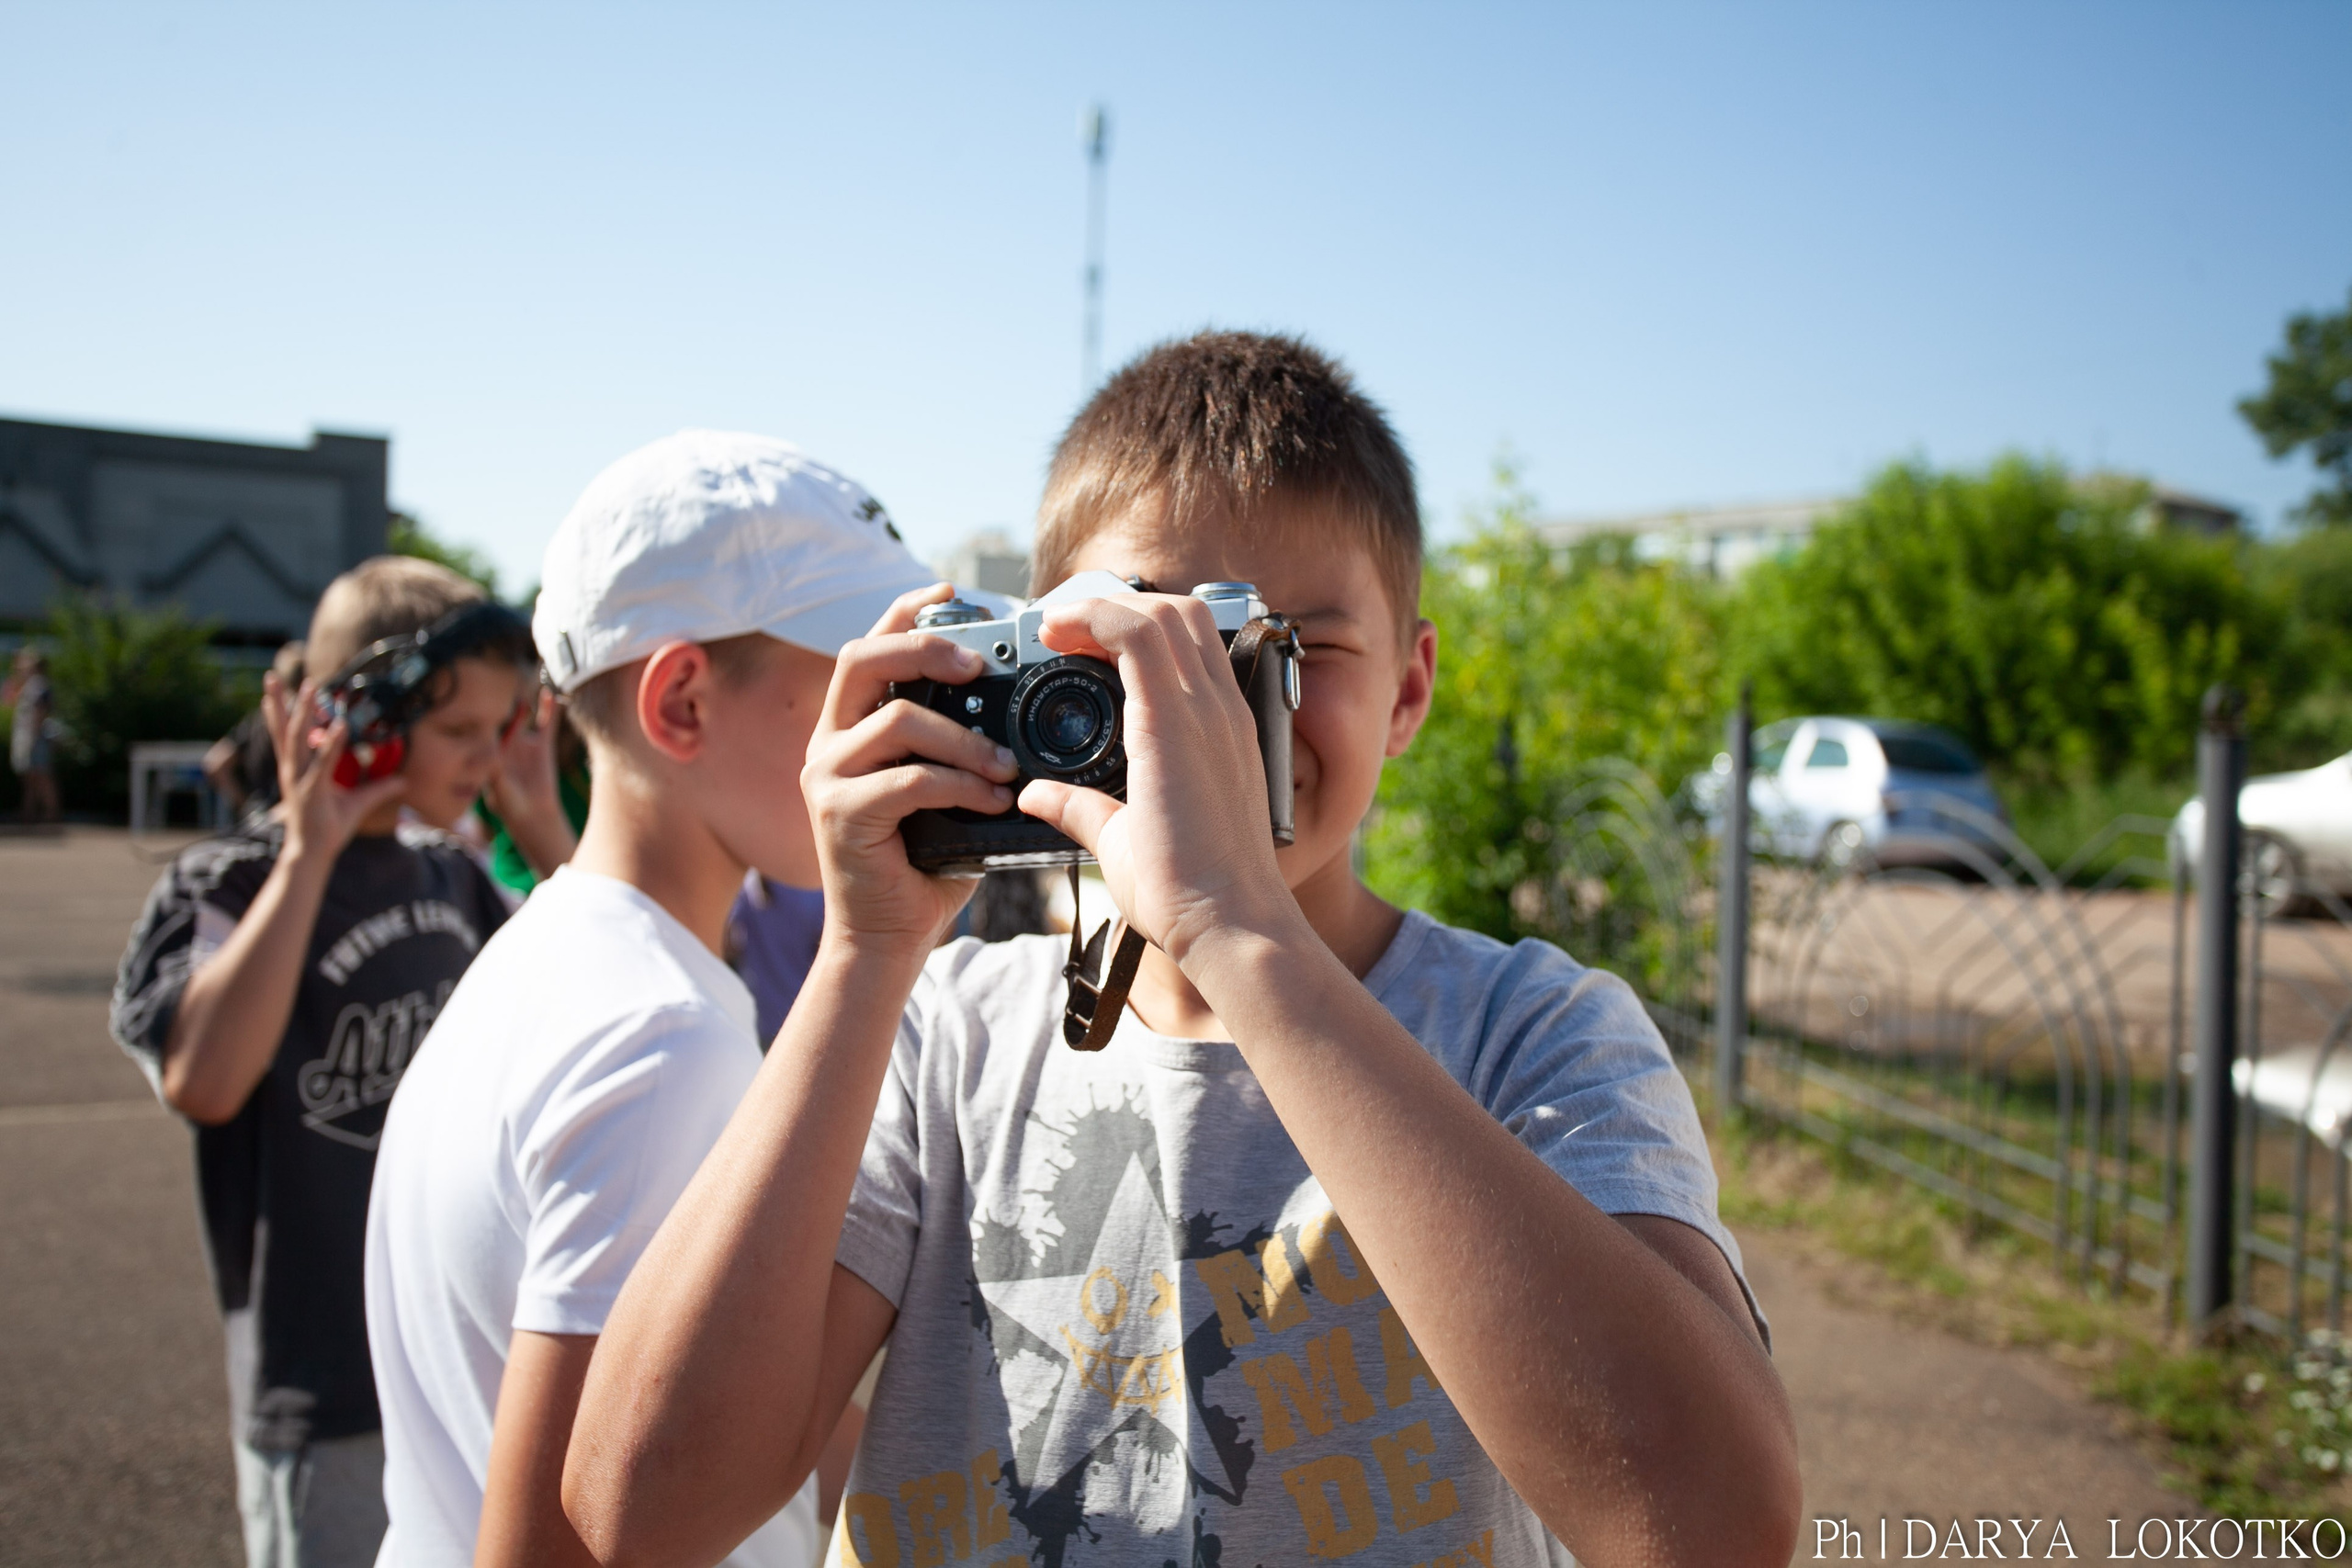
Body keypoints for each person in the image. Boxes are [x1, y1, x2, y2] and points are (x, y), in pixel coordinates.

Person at [562, 333, 1804, 1568]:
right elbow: (639, 1508)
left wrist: (1240, 932)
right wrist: (859, 957)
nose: (1214, 712)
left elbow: (1717, 1526)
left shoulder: (1535, 1034)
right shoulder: (942, 1034)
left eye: (1287, 652)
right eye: (1143, 650)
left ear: (1411, 691)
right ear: (1039, 670)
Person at [364, 431, 935, 1568]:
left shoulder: (547, 957)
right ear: (679, 703)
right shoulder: (659, 1044)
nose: (904, 719)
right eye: (860, 680)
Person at [110, 558, 533, 1568]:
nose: (489, 757)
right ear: (359, 720)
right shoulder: (231, 880)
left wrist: (536, 822)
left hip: (459, 1366)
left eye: (500, 728)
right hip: (327, 1385)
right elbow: (204, 1081)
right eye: (460, 732)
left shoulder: (454, 876)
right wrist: (308, 856)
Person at [206, 641, 309, 819]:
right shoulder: (310, 718)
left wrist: (245, 808)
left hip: (260, 816)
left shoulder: (256, 720)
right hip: (292, 816)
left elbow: (216, 763)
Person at [7, 645, 59, 825]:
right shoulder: (29, 684)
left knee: (42, 777)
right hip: (31, 736)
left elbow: (40, 711)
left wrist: (32, 737)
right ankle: (29, 813)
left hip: (36, 737)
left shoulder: (37, 684)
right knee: (30, 778)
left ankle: (50, 814)